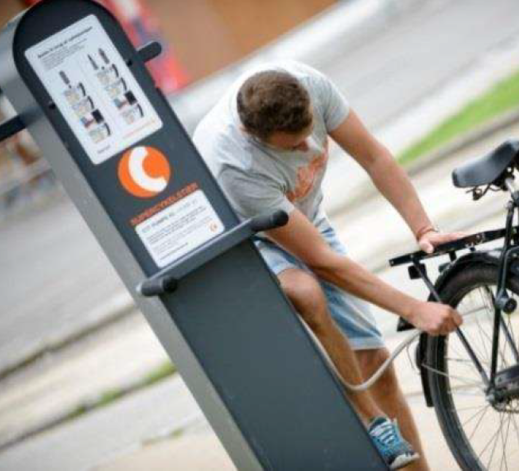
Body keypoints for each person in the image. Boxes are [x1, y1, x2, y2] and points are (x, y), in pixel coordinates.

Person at [193, 61, 465, 470]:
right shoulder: (234, 164)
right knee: (307, 291)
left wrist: (422, 228)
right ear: (255, 136)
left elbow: (373, 156)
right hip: (242, 237)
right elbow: (322, 262)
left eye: (310, 135)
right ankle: (370, 420)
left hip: (303, 215)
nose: (311, 149)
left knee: (375, 365)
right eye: (293, 146)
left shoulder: (308, 85)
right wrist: (413, 308)